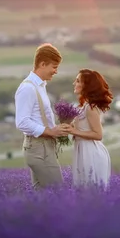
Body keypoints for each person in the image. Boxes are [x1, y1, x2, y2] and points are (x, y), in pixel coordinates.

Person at [15, 43, 70, 190]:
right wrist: (51, 131)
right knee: (58, 192)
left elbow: (38, 117)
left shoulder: (39, 86)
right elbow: (22, 122)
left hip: (43, 147)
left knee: (43, 198)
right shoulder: (27, 88)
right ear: (42, 64)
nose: (56, 71)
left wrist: (57, 128)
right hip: (38, 149)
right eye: (54, 67)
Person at [68, 69, 113, 188]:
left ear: (86, 86)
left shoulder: (90, 108)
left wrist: (74, 131)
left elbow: (98, 135)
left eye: (78, 81)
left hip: (91, 152)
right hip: (83, 149)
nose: (74, 83)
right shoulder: (84, 106)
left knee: (91, 190)